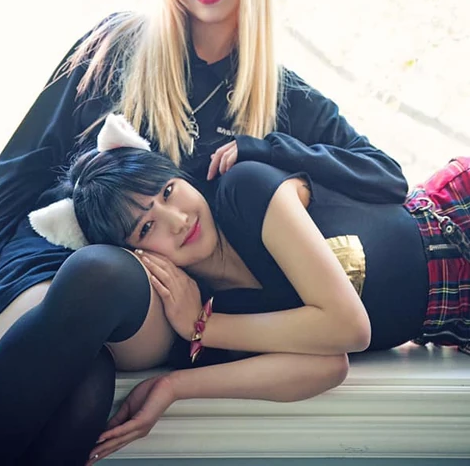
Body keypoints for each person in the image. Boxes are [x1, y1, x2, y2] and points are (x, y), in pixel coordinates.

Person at [0, 0, 407, 464]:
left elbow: (385, 175)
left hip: (142, 289)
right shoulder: (116, 44)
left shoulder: (280, 95)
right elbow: (22, 167)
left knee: (103, 281)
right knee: (85, 383)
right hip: (48, 262)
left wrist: (270, 148)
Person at [28, 114, 470, 462]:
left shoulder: (245, 189)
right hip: (454, 315)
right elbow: (328, 366)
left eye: (167, 191)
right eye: (146, 227)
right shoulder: (213, 308)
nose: (177, 220)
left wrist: (202, 327)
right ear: (138, 256)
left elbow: (350, 328)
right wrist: (172, 386)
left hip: (454, 225)